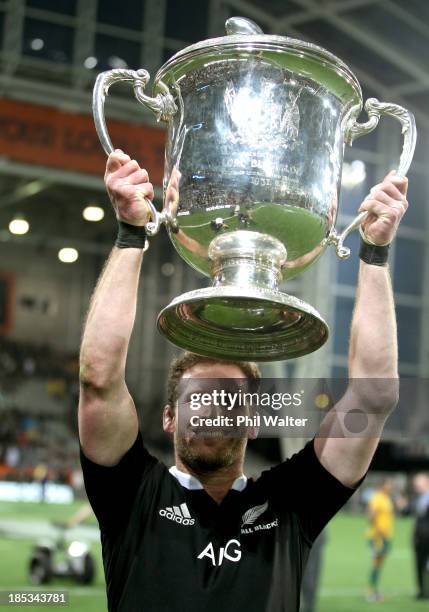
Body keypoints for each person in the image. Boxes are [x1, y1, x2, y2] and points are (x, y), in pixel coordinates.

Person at [78, 150, 408, 612]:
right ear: (169, 417)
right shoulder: (132, 495)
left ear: (253, 422)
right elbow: (99, 378)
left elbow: (373, 395)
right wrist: (131, 234)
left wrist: (374, 252)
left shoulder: (291, 504)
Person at [366, 478, 395, 601]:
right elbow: (371, 515)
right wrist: (378, 531)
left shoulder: (386, 498)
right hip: (378, 537)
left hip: (386, 536)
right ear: (382, 485)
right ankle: (370, 593)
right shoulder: (377, 498)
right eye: (388, 484)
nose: (390, 487)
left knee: (379, 564)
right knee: (376, 563)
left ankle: (374, 591)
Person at [412, 473, 429, 599]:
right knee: (419, 565)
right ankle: (422, 592)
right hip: (419, 538)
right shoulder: (417, 498)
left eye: (419, 483)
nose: (416, 485)